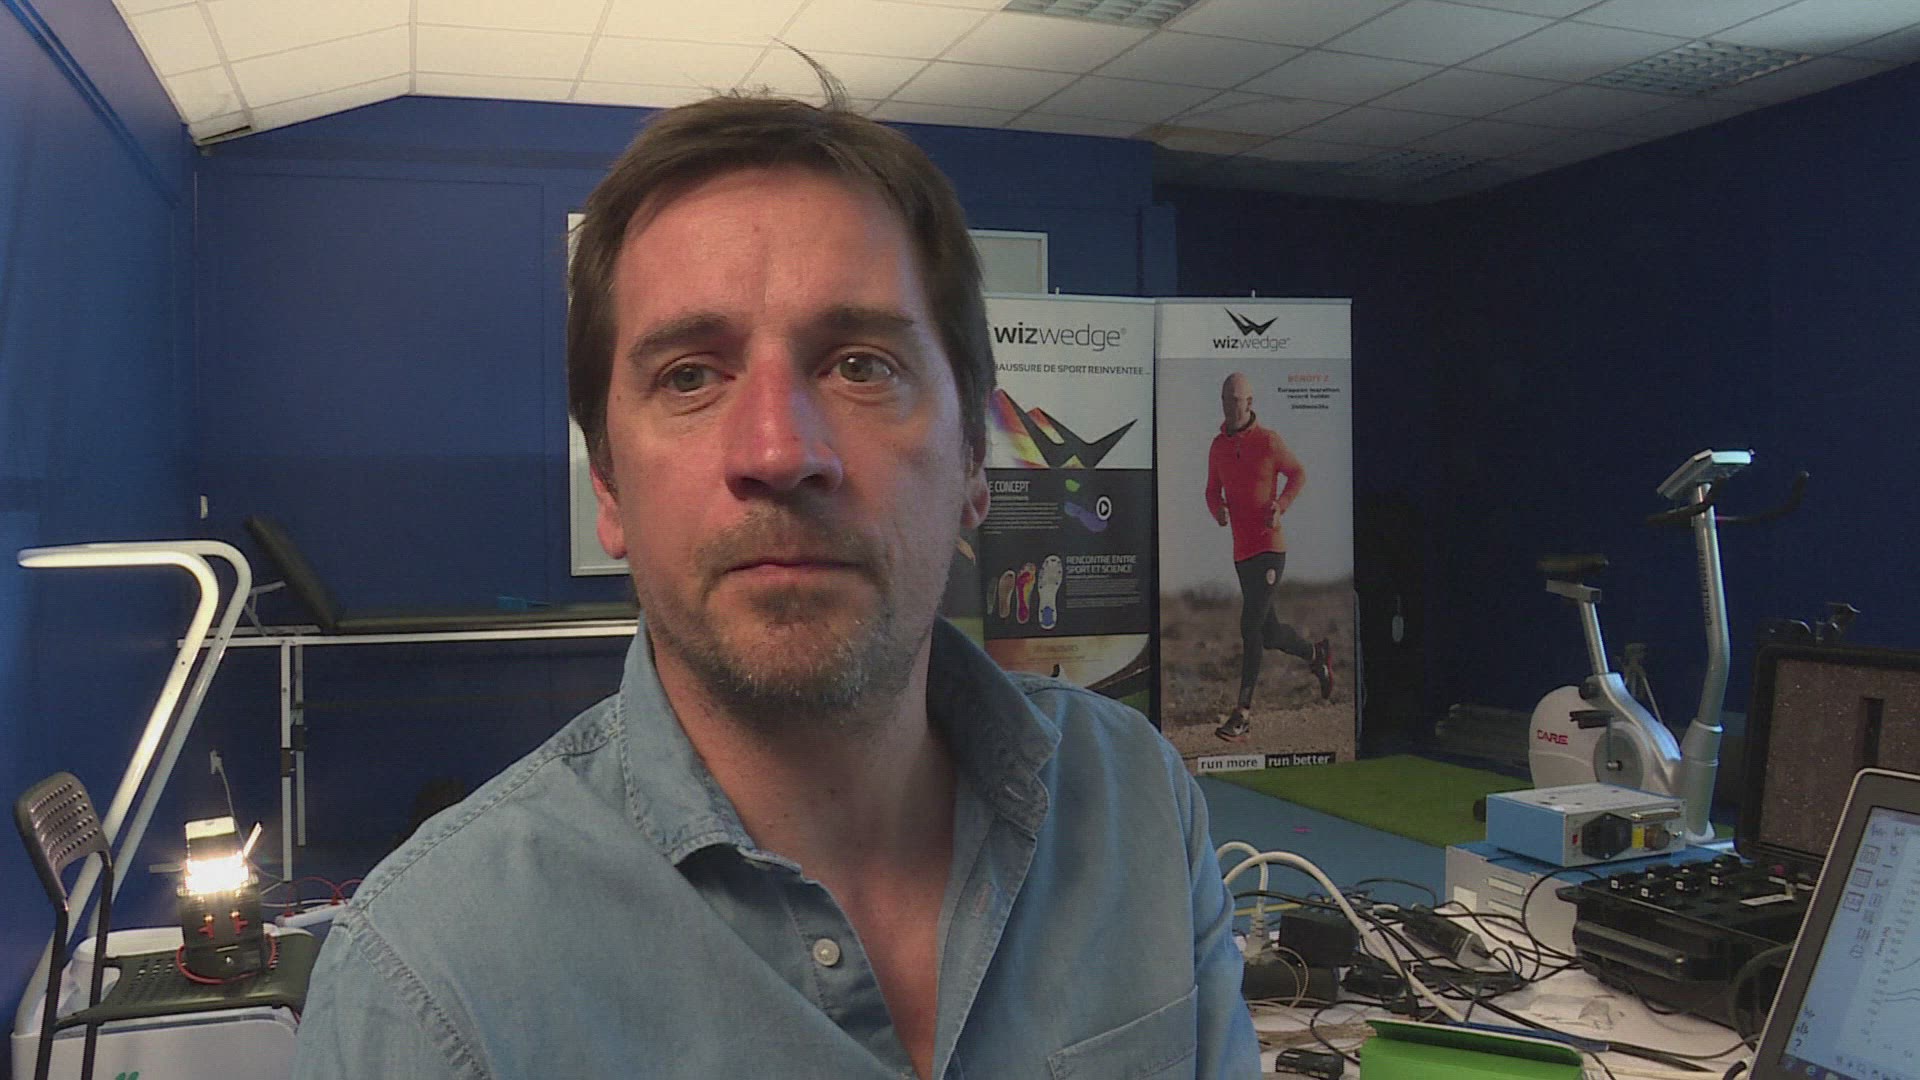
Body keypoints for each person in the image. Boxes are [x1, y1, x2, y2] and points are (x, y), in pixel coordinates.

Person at [292, 87, 1259, 1079]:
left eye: (861, 365)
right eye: (689, 376)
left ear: (976, 459)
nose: (778, 452)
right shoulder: (425, 988)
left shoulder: (1138, 803)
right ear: (609, 487)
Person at [1205, 373, 1332, 743]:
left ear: (1250, 402)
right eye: (1225, 399)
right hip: (1242, 552)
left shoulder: (1269, 441)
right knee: (1270, 633)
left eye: (1236, 399)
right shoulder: (1218, 446)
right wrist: (1218, 510)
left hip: (1270, 548)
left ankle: (1242, 713)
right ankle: (1315, 654)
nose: (1229, 406)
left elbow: (1298, 474)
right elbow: (1211, 490)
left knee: (1250, 626)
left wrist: (1280, 505)